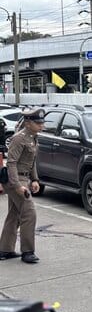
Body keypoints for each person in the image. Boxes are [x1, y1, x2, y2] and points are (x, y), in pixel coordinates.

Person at [0, 108, 45, 263]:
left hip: (24, 178)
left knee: (14, 215)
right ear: (27, 123)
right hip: (15, 180)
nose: (42, 125)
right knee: (29, 213)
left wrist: (35, 179)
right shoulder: (19, 138)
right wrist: (17, 186)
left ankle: (5, 249)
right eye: (38, 123)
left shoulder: (33, 137)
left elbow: (31, 162)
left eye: (42, 122)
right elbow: (11, 163)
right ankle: (28, 251)